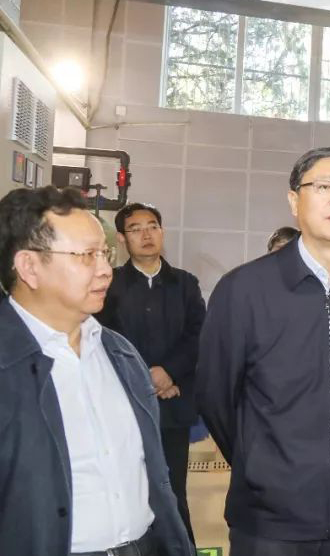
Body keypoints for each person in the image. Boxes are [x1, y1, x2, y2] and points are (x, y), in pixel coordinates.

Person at [197, 147, 330, 556]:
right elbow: (216, 396)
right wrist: (262, 466)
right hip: (270, 519)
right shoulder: (243, 289)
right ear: (294, 201)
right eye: (324, 187)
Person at [0, 186, 193, 556]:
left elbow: (156, 480)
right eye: (87, 255)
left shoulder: (120, 354)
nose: (105, 270)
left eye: (105, 254)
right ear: (29, 267)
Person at [97, 202, 206, 544]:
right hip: (124, 407)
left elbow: (199, 335)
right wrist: (147, 379)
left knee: (172, 494)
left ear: (162, 232)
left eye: (153, 226)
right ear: (121, 238)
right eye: (136, 229)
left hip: (173, 407)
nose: (146, 234)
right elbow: (103, 338)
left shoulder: (185, 284)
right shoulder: (109, 284)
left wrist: (170, 373)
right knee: (128, 492)